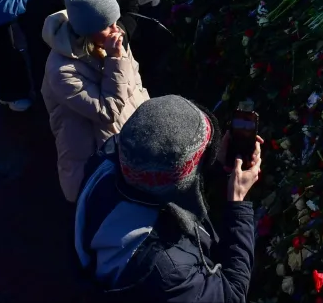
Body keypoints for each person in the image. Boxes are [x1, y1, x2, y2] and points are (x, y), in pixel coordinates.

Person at [74, 95, 260, 300]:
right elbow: (232, 295)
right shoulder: (169, 269)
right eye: (204, 154)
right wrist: (237, 202)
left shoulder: (113, 156)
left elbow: (161, 174)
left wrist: (213, 164)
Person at [41, 0, 149, 202]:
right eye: (107, 25)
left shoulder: (110, 40)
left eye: (115, 21)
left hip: (128, 141)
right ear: (86, 30)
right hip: (93, 159)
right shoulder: (62, 70)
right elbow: (107, 112)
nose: (116, 30)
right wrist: (114, 60)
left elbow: (135, 81)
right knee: (98, 216)